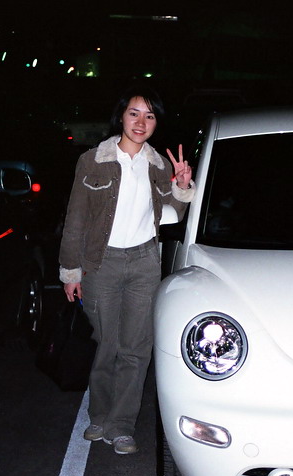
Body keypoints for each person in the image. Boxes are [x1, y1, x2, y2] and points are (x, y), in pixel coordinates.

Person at [58, 86, 194, 455]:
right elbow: (75, 219)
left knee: (136, 348)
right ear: (121, 116)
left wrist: (182, 187)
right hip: (101, 262)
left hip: (144, 262)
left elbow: (171, 213)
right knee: (107, 343)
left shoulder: (159, 164)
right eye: (134, 113)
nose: (141, 122)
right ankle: (99, 414)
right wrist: (70, 271)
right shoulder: (93, 161)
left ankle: (121, 425)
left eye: (149, 116)